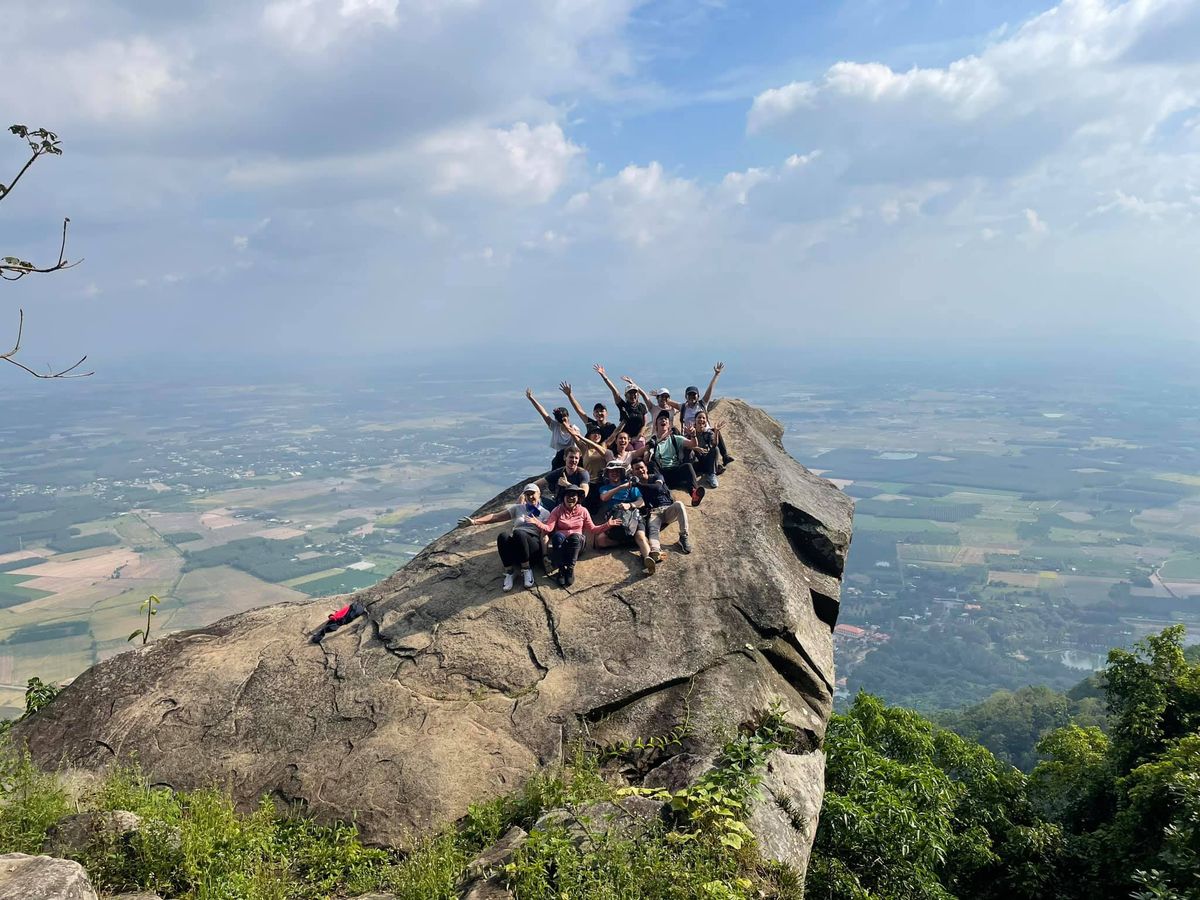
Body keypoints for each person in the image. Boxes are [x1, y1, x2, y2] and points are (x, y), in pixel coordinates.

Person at [456, 483, 551, 591]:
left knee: (519, 533)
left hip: (532, 550)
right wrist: (474, 522)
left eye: (532, 493)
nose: (530, 497)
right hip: (517, 547)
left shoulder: (545, 513)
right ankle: (509, 572)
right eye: (527, 494)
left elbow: (545, 534)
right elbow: (496, 517)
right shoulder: (518, 508)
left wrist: (544, 555)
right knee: (503, 536)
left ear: (539, 494)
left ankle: (527, 569)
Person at [525, 485, 619, 587]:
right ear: (563, 497)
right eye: (568, 495)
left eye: (574, 495)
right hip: (562, 546)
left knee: (575, 537)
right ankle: (561, 569)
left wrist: (608, 525)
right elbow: (549, 528)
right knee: (557, 536)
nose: (571, 498)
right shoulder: (557, 510)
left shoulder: (583, 511)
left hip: (577, 545)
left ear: (578, 498)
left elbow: (593, 529)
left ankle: (570, 569)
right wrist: (536, 522)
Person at [593, 461, 657, 576]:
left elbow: (641, 501)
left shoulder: (631, 487)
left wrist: (630, 505)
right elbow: (604, 497)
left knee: (640, 537)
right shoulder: (604, 488)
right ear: (607, 474)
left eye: (617, 471)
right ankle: (628, 542)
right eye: (612, 471)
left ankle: (648, 559)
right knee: (600, 541)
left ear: (621, 473)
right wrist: (621, 487)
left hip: (634, 515)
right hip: (616, 518)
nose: (614, 473)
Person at [630, 458, 692, 556]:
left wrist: (639, 484)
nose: (640, 470)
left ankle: (683, 537)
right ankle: (656, 550)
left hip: (668, 509)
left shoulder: (656, 476)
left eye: (641, 467)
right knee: (653, 530)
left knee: (679, 504)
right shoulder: (635, 487)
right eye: (637, 469)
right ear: (633, 472)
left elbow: (657, 488)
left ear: (646, 468)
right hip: (654, 513)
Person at [646, 410, 706, 506]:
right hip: (662, 475)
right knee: (651, 465)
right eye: (661, 419)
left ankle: (694, 494)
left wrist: (693, 435)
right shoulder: (652, 441)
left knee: (687, 466)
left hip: (675, 472)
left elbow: (693, 444)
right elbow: (646, 460)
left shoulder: (675, 438)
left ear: (669, 424)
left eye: (666, 419)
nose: (663, 420)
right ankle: (662, 493)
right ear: (656, 424)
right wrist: (651, 449)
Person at [679, 362, 734, 465]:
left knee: (715, 432)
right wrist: (660, 396)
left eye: (694, 395)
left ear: (698, 396)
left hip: (705, 431)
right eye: (689, 395)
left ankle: (724, 456)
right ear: (686, 397)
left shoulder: (702, 403)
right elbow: (668, 402)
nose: (692, 397)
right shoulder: (682, 407)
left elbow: (710, 389)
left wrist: (716, 375)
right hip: (691, 433)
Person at [594, 364, 649, 449]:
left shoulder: (641, 407)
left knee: (641, 451)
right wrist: (604, 376)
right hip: (625, 438)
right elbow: (614, 390)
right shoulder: (623, 406)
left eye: (635, 393)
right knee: (630, 451)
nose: (633, 395)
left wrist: (638, 437)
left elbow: (644, 424)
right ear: (626, 395)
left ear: (638, 395)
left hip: (639, 437)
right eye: (630, 393)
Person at [526, 387, 578, 468]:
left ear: (568, 416)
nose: (562, 419)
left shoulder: (575, 429)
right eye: (559, 417)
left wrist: (564, 423)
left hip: (573, 457)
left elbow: (576, 440)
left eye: (564, 416)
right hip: (560, 458)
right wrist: (531, 399)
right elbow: (543, 413)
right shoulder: (555, 427)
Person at [685, 409, 726, 488]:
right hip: (695, 462)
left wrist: (716, 432)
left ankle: (711, 474)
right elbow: (685, 445)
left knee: (715, 449)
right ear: (695, 420)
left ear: (706, 421)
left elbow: (714, 445)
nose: (701, 420)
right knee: (688, 449)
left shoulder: (708, 433)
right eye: (699, 417)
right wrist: (696, 448)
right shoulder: (690, 432)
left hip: (706, 461)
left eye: (704, 418)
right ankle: (689, 476)